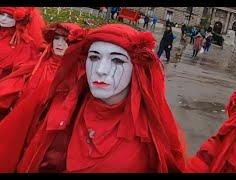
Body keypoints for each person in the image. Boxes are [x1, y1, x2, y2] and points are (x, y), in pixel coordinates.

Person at [0, 24, 186, 173]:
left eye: (117, 60)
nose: (101, 70)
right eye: (94, 57)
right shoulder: (66, 109)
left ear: (136, 69)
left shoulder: (151, 131)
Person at [0, 7, 45, 119]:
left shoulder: (24, 43)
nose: (4, 19)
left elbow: (19, 73)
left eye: (10, 16)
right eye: (1, 14)